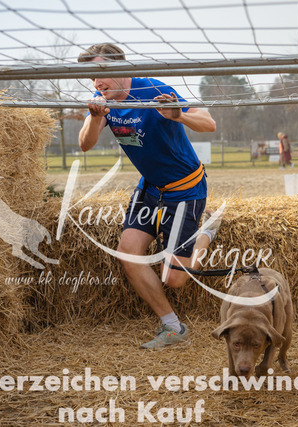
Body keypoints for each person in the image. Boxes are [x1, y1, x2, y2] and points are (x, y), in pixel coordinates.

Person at [77, 43, 218, 350]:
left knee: (174, 279)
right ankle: (173, 327)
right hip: (151, 188)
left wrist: (178, 115)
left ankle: (206, 233)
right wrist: (94, 117)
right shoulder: (103, 102)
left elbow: (209, 123)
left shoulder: (154, 89)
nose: (96, 83)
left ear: (120, 68)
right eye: (91, 78)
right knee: (127, 252)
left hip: (185, 189)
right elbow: (85, 144)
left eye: (100, 73)